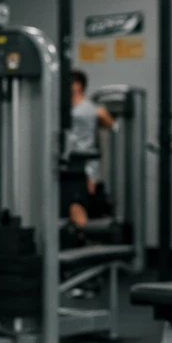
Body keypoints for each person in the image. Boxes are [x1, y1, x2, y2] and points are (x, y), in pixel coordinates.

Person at [63, 70, 115, 237]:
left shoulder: (86, 109)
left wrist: (92, 175)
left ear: (78, 87)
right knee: (71, 206)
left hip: (82, 169)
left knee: (76, 205)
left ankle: (89, 241)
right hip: (67, 166)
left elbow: (111, 125)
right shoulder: (70, 108)